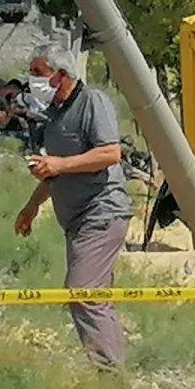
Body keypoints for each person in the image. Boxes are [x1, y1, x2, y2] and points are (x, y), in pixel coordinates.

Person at [14, 45, 132, 366]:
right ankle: (111, 370)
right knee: (94, 296)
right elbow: (57, 174)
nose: (32, 80)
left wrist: (60, 164)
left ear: (60, 75)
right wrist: (31, 207)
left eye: (38, 73)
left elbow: (110, 153)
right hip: (77, 221)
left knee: (81, 291)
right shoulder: (54, 119)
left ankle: (109, 379)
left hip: (101, 212)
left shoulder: (92, 102)